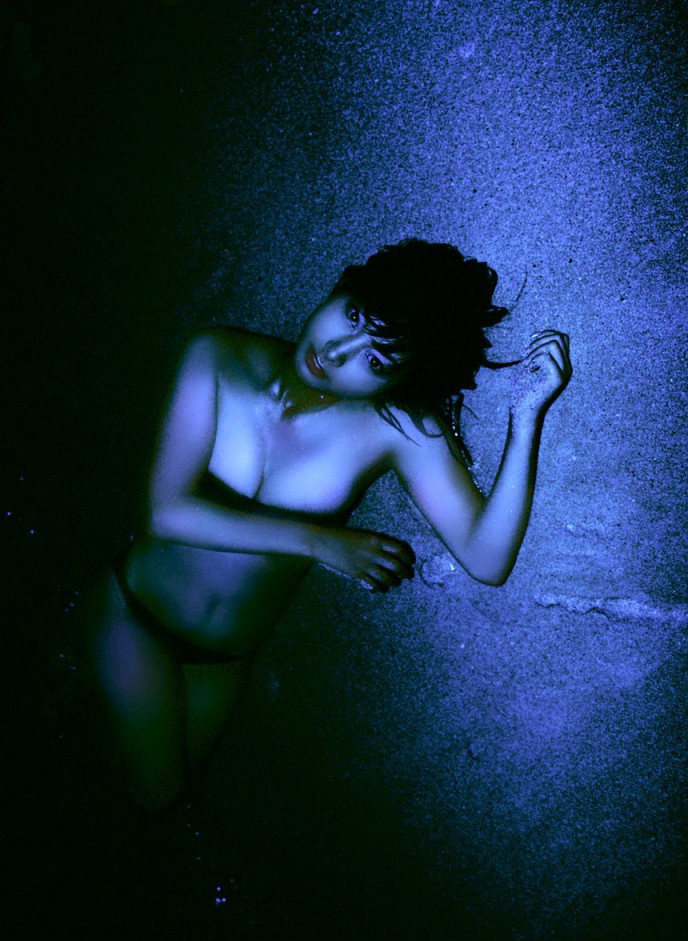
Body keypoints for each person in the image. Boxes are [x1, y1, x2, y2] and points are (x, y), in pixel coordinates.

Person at [87, 239, 571, 810]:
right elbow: (165, 512)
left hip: (224, 660)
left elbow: (487, 559)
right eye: (355, 315)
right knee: (158, 799)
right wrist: (321, 542)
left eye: (376, 361)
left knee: (141, 788)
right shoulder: (218, 357)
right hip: (137, 616)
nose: (337, 352)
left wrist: (526, 420)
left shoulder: (393, 430)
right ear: (341, 288)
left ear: (399, 382)